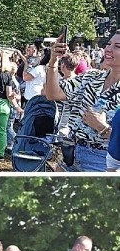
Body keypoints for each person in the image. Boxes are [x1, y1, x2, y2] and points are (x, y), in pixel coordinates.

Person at [46, 32, 120, 172]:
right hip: (71, 155)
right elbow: (53, 94)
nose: (109, 48)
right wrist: (53, 61)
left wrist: (102, 128)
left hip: (102, 161)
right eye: (109, 44)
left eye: (117, 46)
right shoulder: (92, 76)